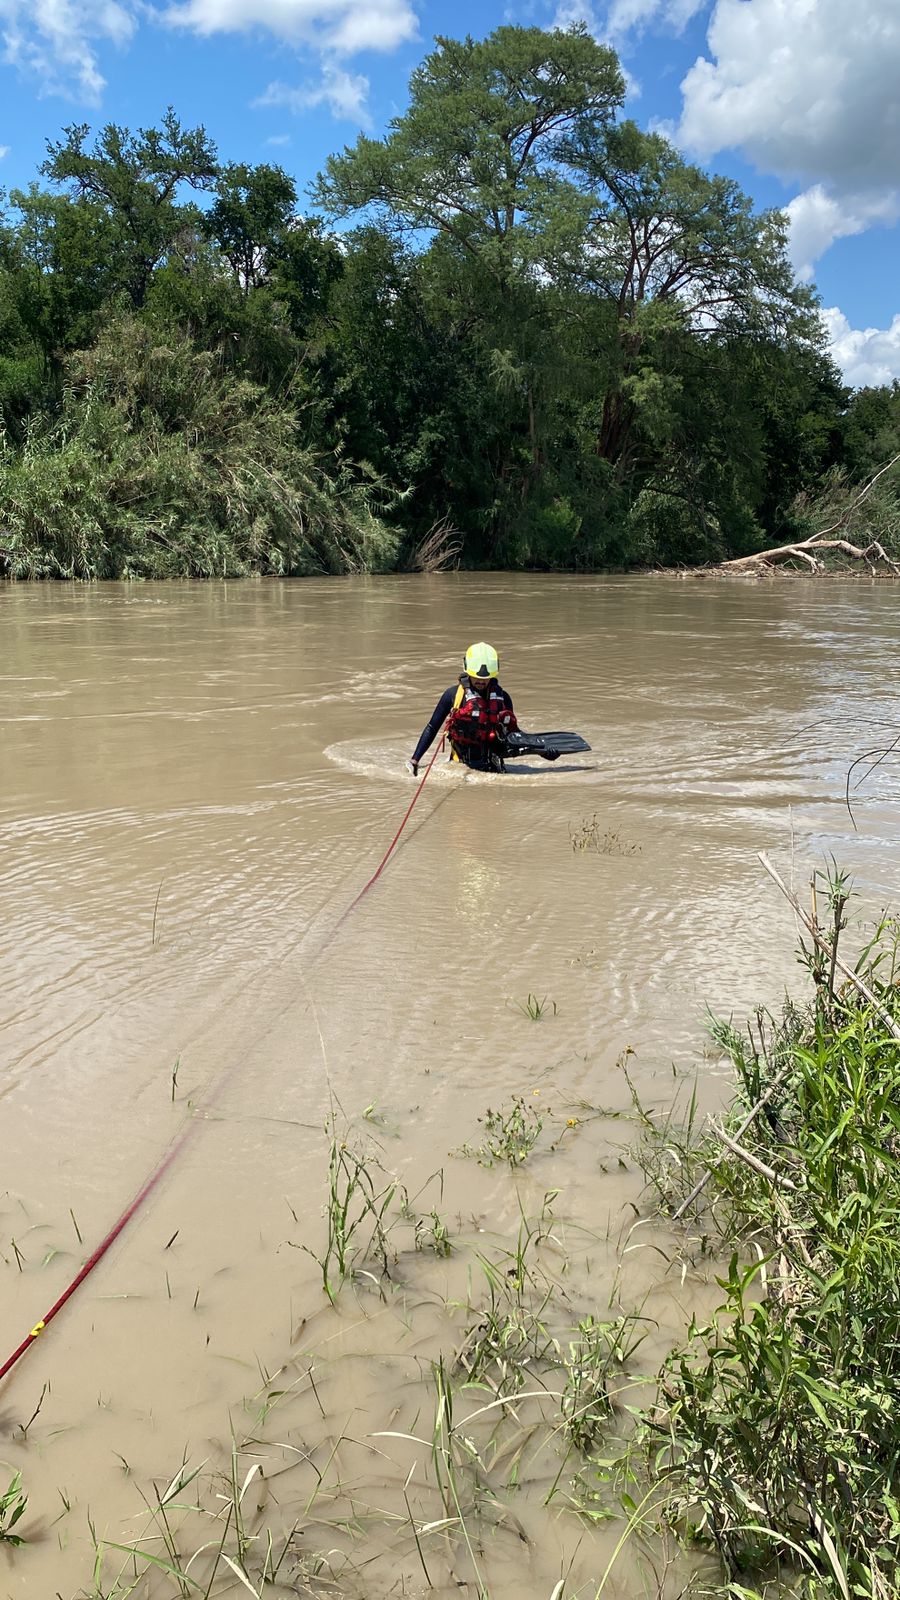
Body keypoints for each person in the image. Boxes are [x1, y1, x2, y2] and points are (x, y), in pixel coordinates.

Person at [408, 642, 518, 774]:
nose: (481, 681)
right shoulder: (453, 695)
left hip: (495, 770)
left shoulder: (503, 698)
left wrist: (543, 750)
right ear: (467, 671)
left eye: (485, 678)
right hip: (459, 769)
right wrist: (415, 760)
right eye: (476, 677)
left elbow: (513, 734)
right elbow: (432, 727)